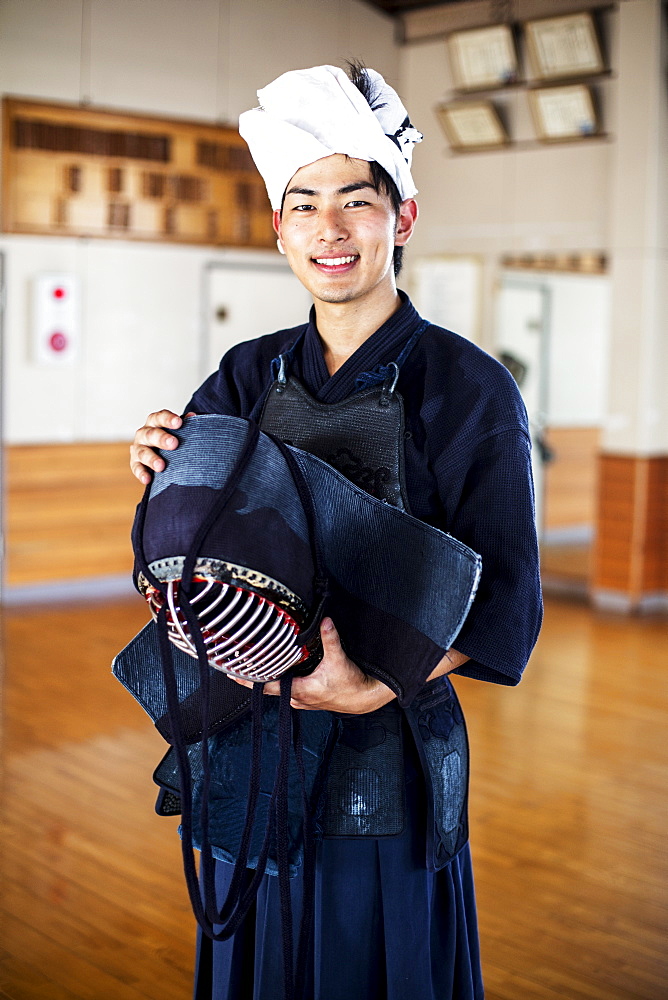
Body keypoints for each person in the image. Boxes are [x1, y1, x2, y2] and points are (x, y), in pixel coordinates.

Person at [130, 63, 542, 1000]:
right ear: (277, 227)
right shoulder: (243, 376)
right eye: (304, 203)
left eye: (355, 201)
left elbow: (509, 610)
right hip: (246, 746)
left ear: (402, 216)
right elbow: (174, 555)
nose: (330, 229)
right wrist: (157, 481)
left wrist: (369, 688)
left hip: (384, 769)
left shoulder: (469, 389)